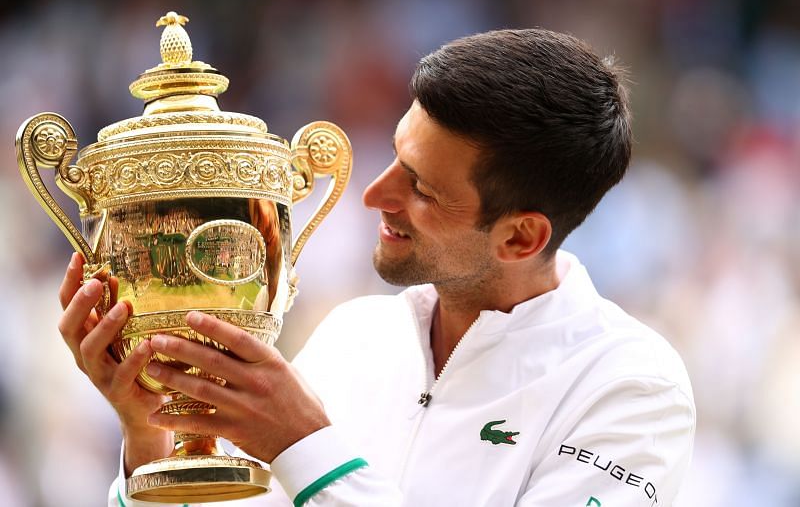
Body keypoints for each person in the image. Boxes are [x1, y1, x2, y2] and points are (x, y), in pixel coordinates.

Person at [58, 29, 695, 506]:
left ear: (521, 238)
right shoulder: (353, 336)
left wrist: (306, 448)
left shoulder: (631, 387)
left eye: (421, 188)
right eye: (395, 156)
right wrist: (152, 435)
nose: (374, 194)